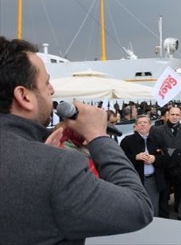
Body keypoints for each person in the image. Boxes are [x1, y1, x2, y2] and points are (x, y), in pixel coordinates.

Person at [0, 36, 153, 243]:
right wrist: (99, 137)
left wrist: (38, 150)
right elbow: (138, 208)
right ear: (24, 96)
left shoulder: (43, 160)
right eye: (46, 83)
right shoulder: (57, 167)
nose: (52, 90)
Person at [120, 115, 169, 216]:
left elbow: (167, 158)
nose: (142, 125)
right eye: (140, 123)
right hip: (135, 180)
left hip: (152, 180)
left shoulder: (158, 139)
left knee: (153, 207)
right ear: (136, 126)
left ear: (150, 125)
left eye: (145, 122)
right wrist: (135, 157)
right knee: (136, 207)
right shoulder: (127, 141)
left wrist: (154, 158)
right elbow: (121, 160)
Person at [150, 106, 181, 220]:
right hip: (166, 167)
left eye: (177, 115)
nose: (174, 117)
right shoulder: (158, 130)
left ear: (180, 116)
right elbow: (158, 148)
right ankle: (164, 218)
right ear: (168, 115)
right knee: (164, 195)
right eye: (172, 114)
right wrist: (172, 154)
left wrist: (179, 156)